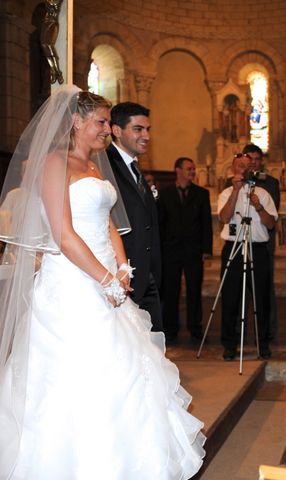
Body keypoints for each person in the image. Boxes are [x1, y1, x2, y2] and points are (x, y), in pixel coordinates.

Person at [0, 86, 204, 479]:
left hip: (106, 281)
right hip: (72, 285)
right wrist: (106, 278)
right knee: (78, 379)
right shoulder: (55, 163)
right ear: (76, 121)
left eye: (109, 123)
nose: (108, 130)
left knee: (127, 376)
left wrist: (123, 267)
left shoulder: (94, 165)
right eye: (101, 122)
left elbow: (109, 221)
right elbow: (62, 234)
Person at [107, 101, 163, 331]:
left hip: (146, 273)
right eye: (138, 129)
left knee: (152, 347)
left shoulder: (134, 167)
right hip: (124, 275)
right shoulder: (105, 164)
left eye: (148, 129)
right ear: (117, 131)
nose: (146, 135)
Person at [217, 153, 277, 361]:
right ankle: (230, 344)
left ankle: (263, 343)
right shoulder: (226, 193)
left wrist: (258, 206)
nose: (243, 169)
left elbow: (270, 224)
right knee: (231, 297)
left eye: (246, 166)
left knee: (261, 298)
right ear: (233, 170)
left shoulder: (263, 193)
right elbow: (224, 218)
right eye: (239, 166)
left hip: (257, 249)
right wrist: (235, 191)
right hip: (233, 247)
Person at [157, 157, 213, 344]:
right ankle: (170, 328)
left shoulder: (201, 194)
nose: (192, 172)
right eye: (189, 169)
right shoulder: (164, 194)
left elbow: (206, 224)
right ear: (178, 170)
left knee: (194, 290)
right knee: (171, 290)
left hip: (193, 251)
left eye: (193, 169)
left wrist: (206, 249)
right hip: (170, 251)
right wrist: (161, 247)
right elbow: (160, 223)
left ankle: (195, 328)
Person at [242, 144, 280, 339]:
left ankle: (267, 328)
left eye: (257, 159)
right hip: (242, 239)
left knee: (265, 285)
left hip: (263, 241)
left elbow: (272, 214)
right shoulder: (236, 182)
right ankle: (243, 327)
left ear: (261, 161)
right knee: (242, 286)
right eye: (250, 159)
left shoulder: (270, 183)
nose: (254, 162)